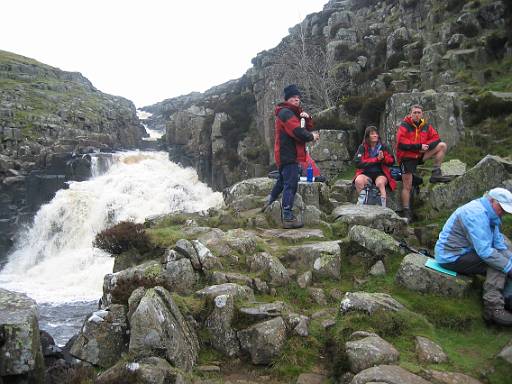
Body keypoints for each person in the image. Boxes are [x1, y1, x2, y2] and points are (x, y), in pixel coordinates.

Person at [435, 187, 512, 326]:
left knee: (505, 251)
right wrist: (509, 267)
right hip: (451, 256)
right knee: (496, 262)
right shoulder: (475, 213)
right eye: (502, 208)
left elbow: (499, 244)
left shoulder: (491, 214)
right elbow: (485, 252)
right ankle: (493, 307)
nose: (503, 213)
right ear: (492, 201)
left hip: (468, 252)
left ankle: (507, 297)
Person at [263, 84, 320, 229]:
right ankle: (287, 216)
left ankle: (270, 201)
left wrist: (308, 119)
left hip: (286, 154)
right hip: (287, 154)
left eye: (298, 98)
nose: (297, 100)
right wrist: (311, 136)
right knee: (291, 183)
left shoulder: (292, 113)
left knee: (282, 180)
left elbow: (303, 128)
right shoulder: (286, 113)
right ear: (288, 99)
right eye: (294, 98)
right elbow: (297, 132)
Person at [396, 104, 451, 220]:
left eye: (419, 112)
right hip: (407, 157)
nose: (416, 114)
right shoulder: (404, 125)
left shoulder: (425, 126)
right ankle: (406, 211)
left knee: (442, 146)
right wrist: (418, 146)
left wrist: (426, 146)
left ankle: (436, 173)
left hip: (420, 155)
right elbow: (401, 143)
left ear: (422, 114)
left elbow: (436, 138)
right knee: (407, 186)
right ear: (410, 114)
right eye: (414, 112)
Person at [353, 126, 396, 207]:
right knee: (358, 181)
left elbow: (392, 161)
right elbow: (357, 163)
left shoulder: (384, 146)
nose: (375, 135)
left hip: (381, 173)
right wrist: (376, 159)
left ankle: (383, 207)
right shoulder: (362, 147)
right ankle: (362, 205)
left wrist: (383, 158)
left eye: (376, 133)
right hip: (366, 173)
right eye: (372, 134)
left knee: (380, 183)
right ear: (367, 136)